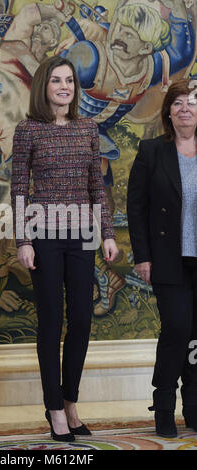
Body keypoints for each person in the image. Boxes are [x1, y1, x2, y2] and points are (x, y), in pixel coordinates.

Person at [11, 56, 118, 442]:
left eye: (69, 81)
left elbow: (96, 187)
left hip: (82, 236)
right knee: (51, 322)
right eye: (56, 81)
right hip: (43, 236)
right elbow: (19, 188)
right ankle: (54, 407)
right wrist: (23, 239)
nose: (64, 87)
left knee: (83, 321)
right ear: (44, 86)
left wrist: (107, 233)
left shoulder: (88, 128)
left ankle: (71, 401)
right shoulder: (28, 130)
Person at [127, 78, 197, 438]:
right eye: (178, 102)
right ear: (169, 111)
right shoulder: (152, 151)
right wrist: (143, 256)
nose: (185, 108)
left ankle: (195, 406)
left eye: (191, 102)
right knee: (177, 329)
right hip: (169, 259)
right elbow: (136, 208)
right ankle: (165, 404)